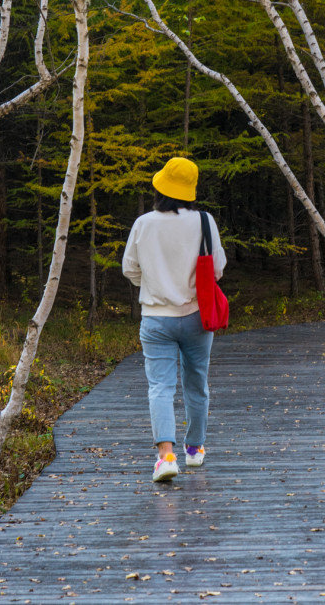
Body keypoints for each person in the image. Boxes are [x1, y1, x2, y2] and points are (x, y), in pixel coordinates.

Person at [122, 157, 226, 482]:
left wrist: (154, 284)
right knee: (197, 384)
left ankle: (165, 456)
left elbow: (129, 269)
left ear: (161, 187)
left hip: (156, 320)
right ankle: (194, 450)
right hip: (197, 317)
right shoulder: (205, 222)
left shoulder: (143, 223)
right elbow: (218, 269)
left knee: (160, 387)